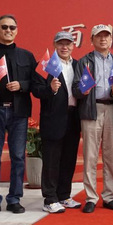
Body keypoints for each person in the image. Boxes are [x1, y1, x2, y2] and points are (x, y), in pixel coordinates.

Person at [0, 14, 36, 217]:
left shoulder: (26, 56)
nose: (8, 30)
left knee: (18, 157)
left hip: (19, 112)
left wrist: (22, 85)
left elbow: (36, 83)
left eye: (12, 27)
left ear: (17, 30)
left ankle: (14, 199)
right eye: (4, 27)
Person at [72, 24, 113, 213]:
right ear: (92, 40)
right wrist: (82, 91)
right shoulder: (84, 61)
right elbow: (75, 89)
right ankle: (91, 198)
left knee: (110, 155)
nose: (103, 39)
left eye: (106, 36)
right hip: (91, 110)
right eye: (99, 36)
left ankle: (109, 197)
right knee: (90, 155)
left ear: (111, 39)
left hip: (112, 109)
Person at [31, 31, 81, 214]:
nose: (64, 47)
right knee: (52, 160)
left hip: (73, 117)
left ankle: (64, 195)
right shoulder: (46, 65)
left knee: (69, 158)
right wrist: (50, 89)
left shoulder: (78, 65)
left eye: (68, 44)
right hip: (53, 118)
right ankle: (50, 199)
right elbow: (35, 89)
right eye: (61, 44)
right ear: (55, 45)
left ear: (73, 46)